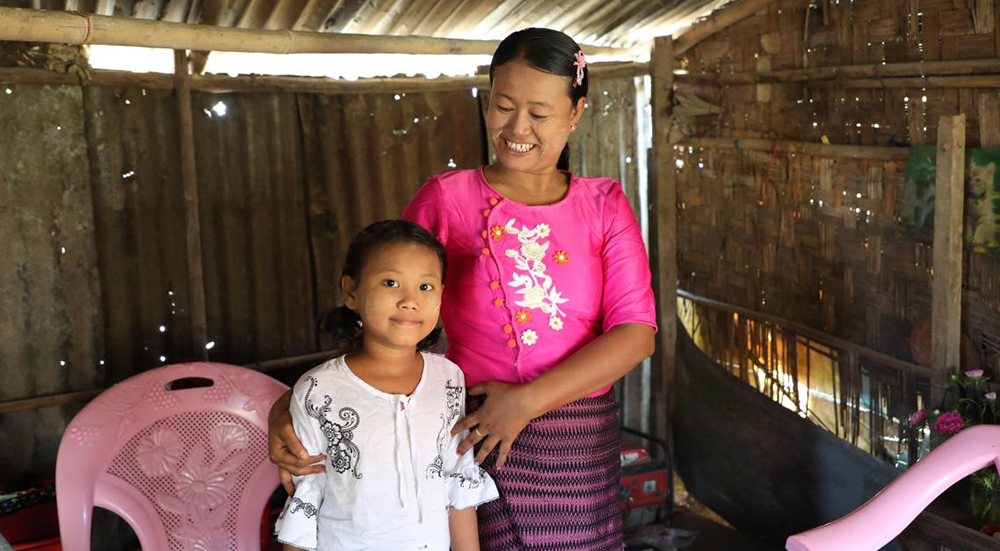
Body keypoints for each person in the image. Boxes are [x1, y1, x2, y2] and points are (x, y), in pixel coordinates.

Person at [270, 27, 657, 551]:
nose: (517, 128)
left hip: (579, 441)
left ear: (575, 113)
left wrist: (525, 403)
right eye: (503, 107)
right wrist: (292, 407)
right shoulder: (447, 198)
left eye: (540, 113)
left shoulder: (604, 204)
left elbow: (636, 334)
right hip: (468, 429)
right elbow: (384, 308)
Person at [275, 220, 498, 551]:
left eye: (425, 286)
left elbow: (456, 478)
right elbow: (305, 496)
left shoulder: (448, 378)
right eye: (391, 282)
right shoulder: (318, 389)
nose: (410, 300)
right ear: (351, 291)